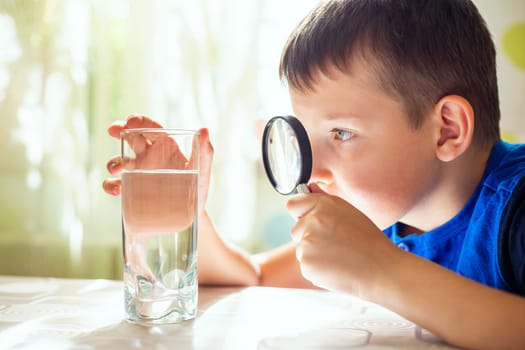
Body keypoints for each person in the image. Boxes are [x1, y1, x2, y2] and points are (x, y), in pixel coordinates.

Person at [103, 0, 525, 348]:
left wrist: (382, 271)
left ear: (447, 129)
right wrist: (188, 219)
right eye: (305, 139)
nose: (315, 170)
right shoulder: (387, 213)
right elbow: (255, 276)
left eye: (341, 133)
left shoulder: (515, 204)